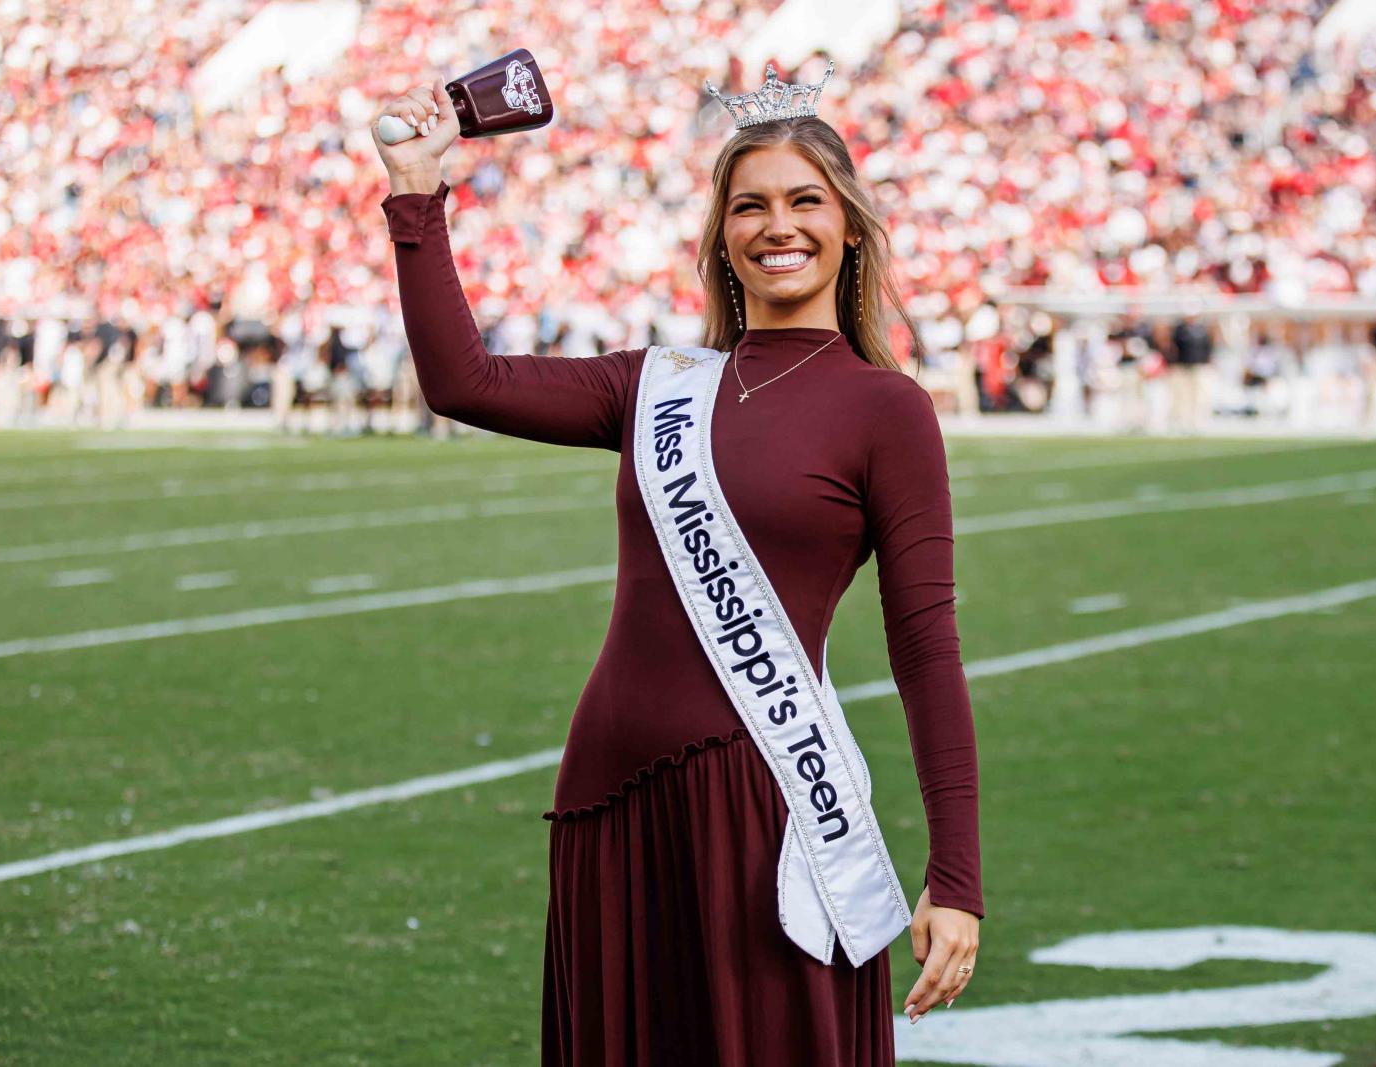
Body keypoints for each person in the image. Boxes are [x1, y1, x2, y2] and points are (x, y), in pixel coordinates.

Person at [372, 68, 983, 1065]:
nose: (776, 226)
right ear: (721, 237)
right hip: (611, 795)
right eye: (749, 206)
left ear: (849, 228)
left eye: (803, 202)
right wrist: (416, 194)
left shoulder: (887, 408)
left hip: (769, 802)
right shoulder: (654, 384)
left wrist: (955, 875)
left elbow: (924, 646)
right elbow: (462, 379)